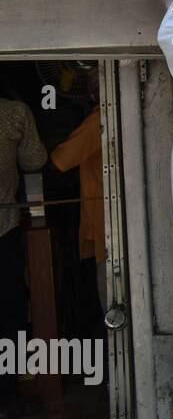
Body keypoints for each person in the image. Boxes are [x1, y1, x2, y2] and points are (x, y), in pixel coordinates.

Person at [0, 90, 47, 407]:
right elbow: (35, 159)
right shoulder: (14, 113)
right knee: (9, 311)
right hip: (4, 228)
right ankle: (8, 394)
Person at [50, 102, 107, 313]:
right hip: (113, 221)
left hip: (107, 225)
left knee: (110, 300)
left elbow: (59, 162)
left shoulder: (98, 120)